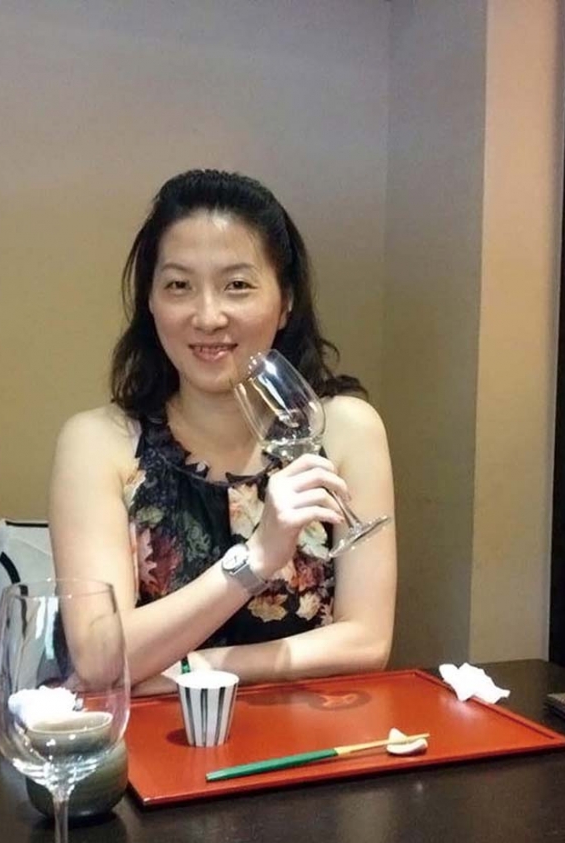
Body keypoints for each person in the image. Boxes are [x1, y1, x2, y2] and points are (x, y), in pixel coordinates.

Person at [49, 169, 396, 691]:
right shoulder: (98, 442)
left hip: (303, 735)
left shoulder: (346, 430)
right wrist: (256, 558)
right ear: (150, 302)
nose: (208, 317)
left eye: (237, 285)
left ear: (285, 301)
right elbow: (98, 657)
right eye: (179, 286)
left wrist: (191, 671)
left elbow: (367, 641)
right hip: (150, 738)